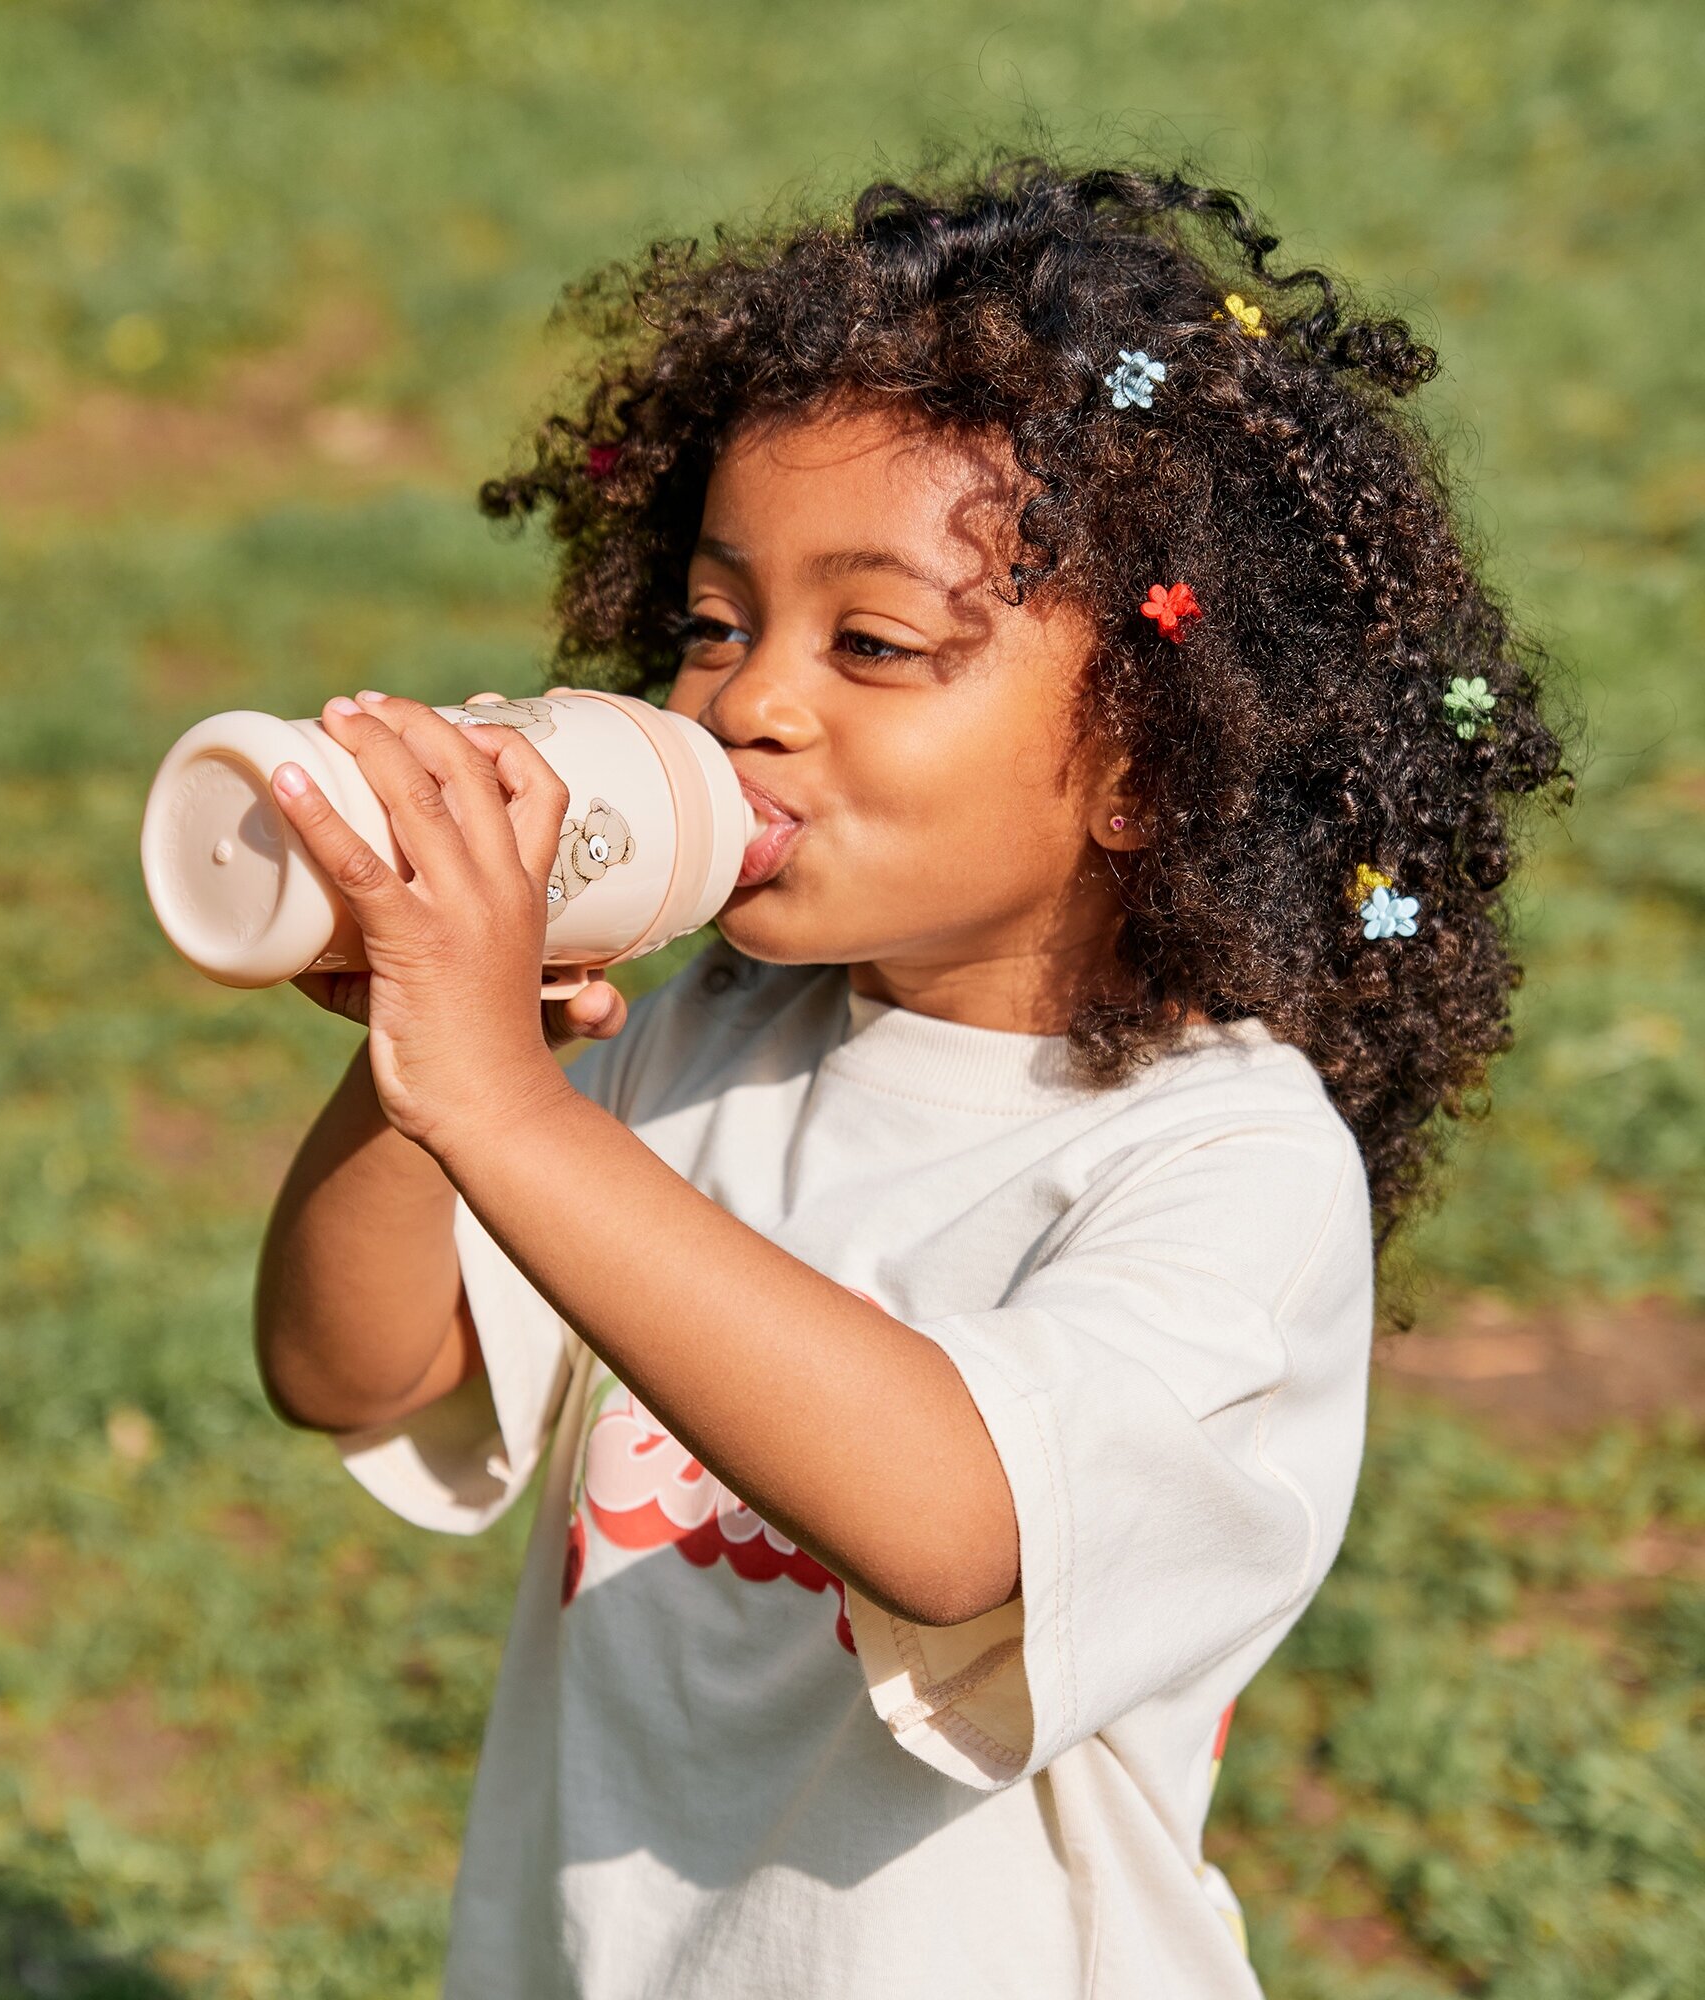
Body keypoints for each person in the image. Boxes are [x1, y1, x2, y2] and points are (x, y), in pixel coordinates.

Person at [251, 154, 1571, 1998]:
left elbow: (955, 1523)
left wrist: (499, 1105)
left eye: (873, 643)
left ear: (1150, 765)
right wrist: (422, 1059)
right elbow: (354, 1368)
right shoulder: (698, 1032)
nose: (755, 702)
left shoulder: (1224, 1165)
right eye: (718, 626)